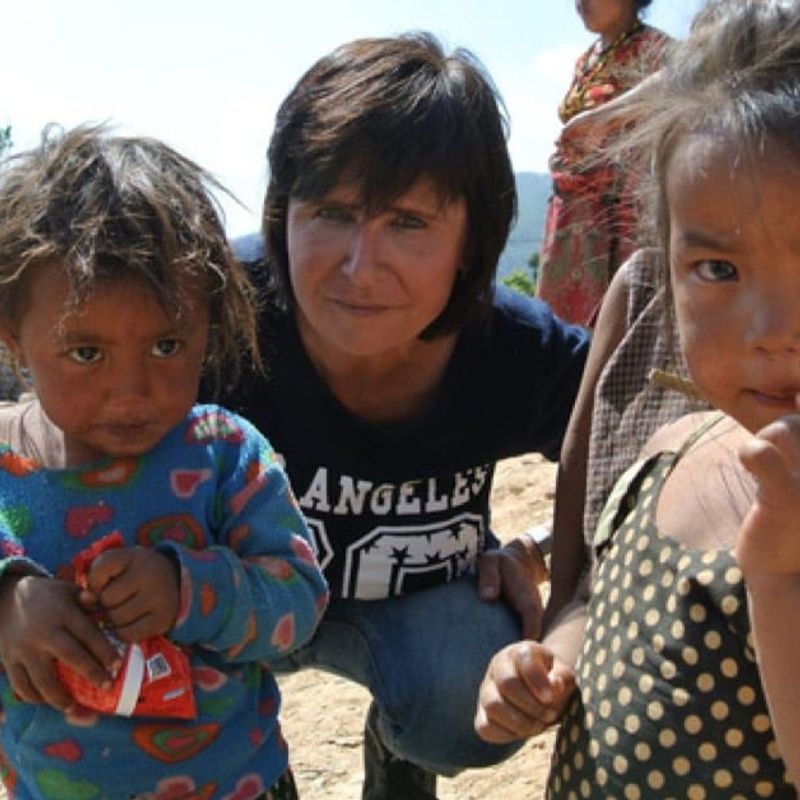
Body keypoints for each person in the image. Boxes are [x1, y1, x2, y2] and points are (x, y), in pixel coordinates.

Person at [218, 32, 589, 799]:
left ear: (471, 243)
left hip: (419, 611)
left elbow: (655, 444)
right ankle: (245, 766)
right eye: (330, 211)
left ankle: (401, 750)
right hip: (227, 610)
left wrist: (541, 548)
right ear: (283, 211)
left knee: (467, 697)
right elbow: (54, 436)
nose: (360, 267)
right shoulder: (210, 317)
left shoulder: (514, 349)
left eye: (410, 222)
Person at [478, 0, 800, 795]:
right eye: (718, 270)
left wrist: (780, 580)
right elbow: (596, 593)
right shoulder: (664, 451)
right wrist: (547, 665)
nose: (774, 331)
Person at [0, 125, 329, 800]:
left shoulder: (223, 456)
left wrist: (190, 590)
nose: (133, 391)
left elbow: (298, 601)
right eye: (86, 353)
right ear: (14, 343)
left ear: (209, 325)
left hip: (238, 787)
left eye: (168, 345)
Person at [536, 0, 669, 326]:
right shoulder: (586, 60)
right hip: (571, 217)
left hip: (621, 217)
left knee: (617, 324)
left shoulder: (657, 50)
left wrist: (605, 119)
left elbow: (679, 82)